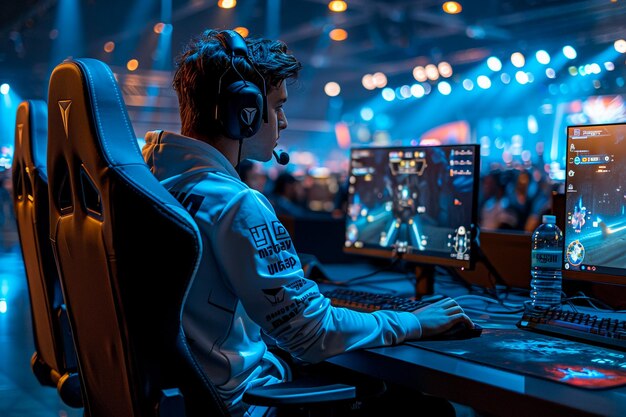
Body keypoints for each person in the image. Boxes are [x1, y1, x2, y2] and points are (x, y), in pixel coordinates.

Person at [142, 28, 474, 417]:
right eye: (276, 105)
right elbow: (311, 334)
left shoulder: (150, 184)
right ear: (244, 111)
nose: (282, 120)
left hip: (184, 397)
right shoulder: (236, 205)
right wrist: (413, 321)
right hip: (244, 405)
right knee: (423, 409)